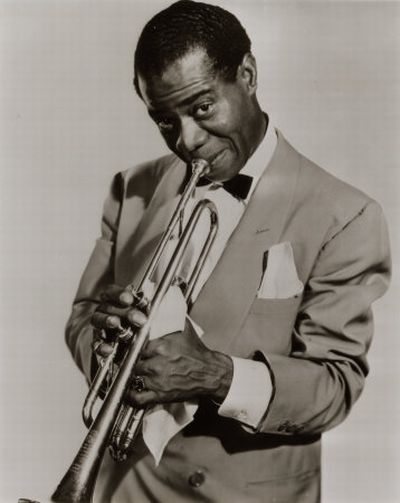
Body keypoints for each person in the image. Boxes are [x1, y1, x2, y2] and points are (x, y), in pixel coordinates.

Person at [65, 1, 391, 502]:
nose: (187, 141)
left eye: (202, 108)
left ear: (248, 74)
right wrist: (105, 347)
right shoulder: (131, 188)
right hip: (124, 488)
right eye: (164, 121)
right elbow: (83, 315)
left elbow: (335, 386)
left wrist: (216, 374)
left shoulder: (345, 214)